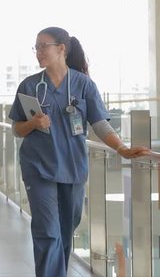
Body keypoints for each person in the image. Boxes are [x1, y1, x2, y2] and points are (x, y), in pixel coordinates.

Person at [8, 26, 151, 277]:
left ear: (61, 49)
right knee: (48, 231)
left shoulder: (83, 84)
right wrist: (33, 124)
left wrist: (122, 148)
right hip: (38, 167)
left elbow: (99, 123)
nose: (39, 51)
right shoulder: (29, 85)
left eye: (44, 46)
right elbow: (17, 129)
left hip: (73, 167)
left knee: (65, 229)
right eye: (36, 47)